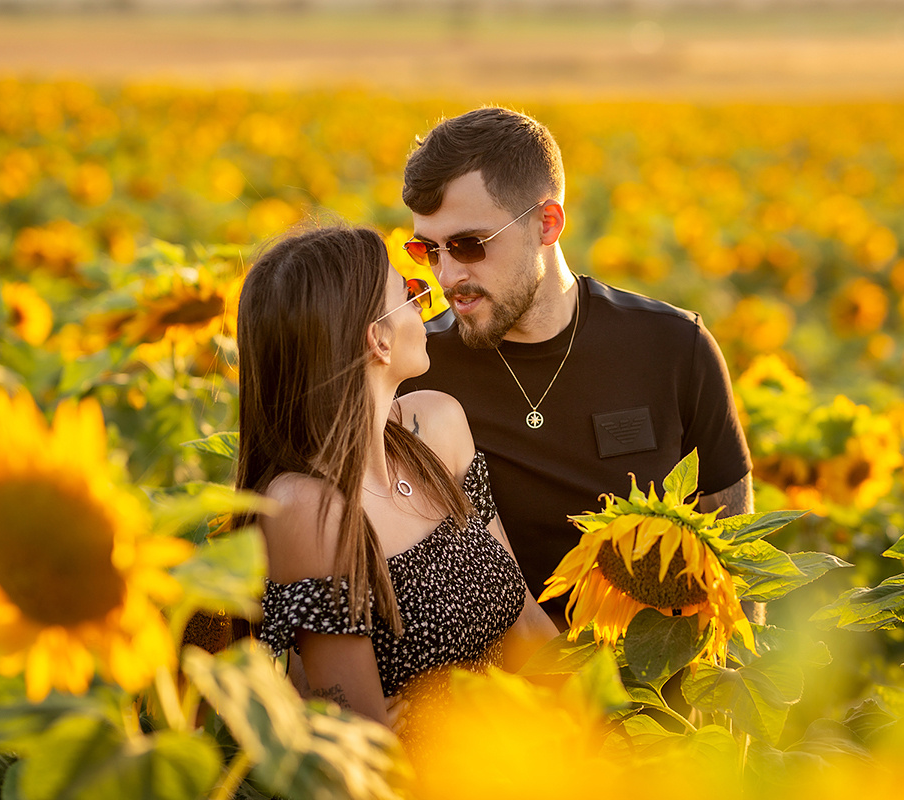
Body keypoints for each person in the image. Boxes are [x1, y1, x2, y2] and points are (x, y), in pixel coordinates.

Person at [399, 107, 754, 622]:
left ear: (547, 223)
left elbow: (734, 558)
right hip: (495, 674)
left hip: (659, 670)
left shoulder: (674, 347)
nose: (447, 275)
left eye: (468, 245)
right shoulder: (416, 373)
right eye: (427, 250)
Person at [234, 225, 557, 736]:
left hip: (528, 741)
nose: (427, 303)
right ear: (377, 339)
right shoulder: (307, 506)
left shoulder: (439, 425)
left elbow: (528, 623)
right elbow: (363, 736)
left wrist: (610, 725)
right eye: (408, 294)